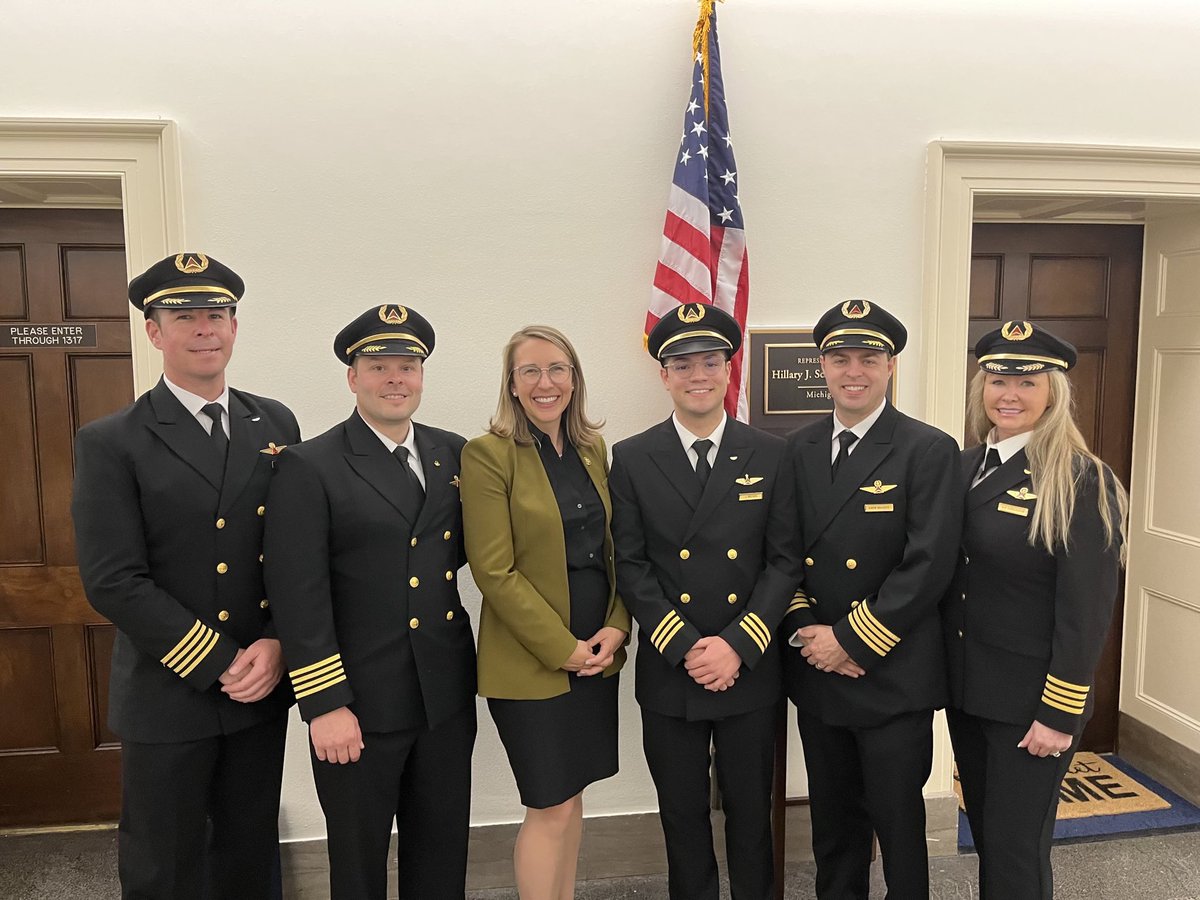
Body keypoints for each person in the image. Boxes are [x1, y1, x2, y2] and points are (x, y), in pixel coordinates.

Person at [71, 253, 299, 899]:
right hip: (170, 690)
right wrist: (220, 659)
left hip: (260, 683)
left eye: (217, 315)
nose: (205, 329)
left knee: (249, 852)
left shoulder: (274, 422)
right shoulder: (113, 440)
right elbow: (113, 579)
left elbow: (294, 552)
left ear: (234, 326)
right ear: (154, 331)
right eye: (185, 317)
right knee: (164, 862)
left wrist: (279, 641)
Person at [262, 305, 477, 900]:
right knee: (358, 865)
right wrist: (324, 703)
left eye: (407, 366)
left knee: (441, 854)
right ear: (352, 377)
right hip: (357, 702)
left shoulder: (452, 454)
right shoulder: (311, 464)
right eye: (378, 366)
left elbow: (458, 554)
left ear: (422, 375)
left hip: (441, 693)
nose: (395, 379)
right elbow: (296, 594)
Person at [608, 303, 802, 900]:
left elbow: (783, 561)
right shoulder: (634, 456)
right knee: (682, 815)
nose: (698, 374)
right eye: (682, 364)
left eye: (710, 362)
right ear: (663, 376)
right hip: (673, 667)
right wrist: (688, 645)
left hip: (749, 666)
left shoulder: (771, 453)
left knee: (751, 813)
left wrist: (738, 646)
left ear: (728, 371)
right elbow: (631, 564)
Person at [781, 299, 962, 900]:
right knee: (834, 825)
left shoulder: (926, 448)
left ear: (890, 368)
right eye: (839, 358)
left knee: (899, 824)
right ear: (823, 368)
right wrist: (812, 635)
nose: (852, 370)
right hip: (820, 671)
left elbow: (927, 564)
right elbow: (782, 552)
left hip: (891, 671)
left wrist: (853, 641)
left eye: (868, 357)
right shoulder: (796, 448)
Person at [943, 321, 1127, 899]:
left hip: (1031, 704)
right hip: (970, 693)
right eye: (998, 379)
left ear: (1054, 392)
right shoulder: (967, 465)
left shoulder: (1082, 480)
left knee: (1018, 849)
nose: (1010, 394)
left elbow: (1086, 613)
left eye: (1027, 381)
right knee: (990, 838)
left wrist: (1059, 713)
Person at [459, 325, 629, 900]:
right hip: (534, 663)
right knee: (548, 802)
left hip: (596, 649)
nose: (545, 382)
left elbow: (614, 549)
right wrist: (564, 649)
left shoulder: (590, 449)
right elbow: (493, 572)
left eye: (557, 369)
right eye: (529, 371)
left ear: (574, 378)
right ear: (511, 384)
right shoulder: (487, 454)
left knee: (574, 794)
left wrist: (615, 625)